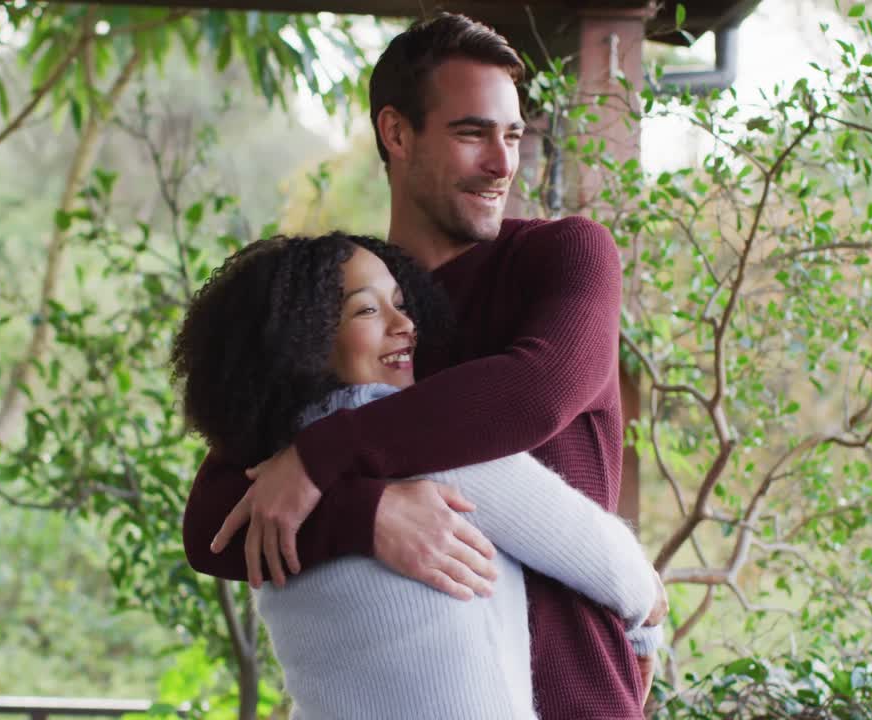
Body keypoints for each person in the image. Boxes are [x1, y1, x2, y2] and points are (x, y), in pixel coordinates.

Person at [182, 13, 661, 718]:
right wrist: (369, 513)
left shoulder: (566, 255)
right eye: (473, 134)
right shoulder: (344, 311)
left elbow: (533, 395)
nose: (503, 164)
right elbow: (214, 524)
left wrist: (321, 460)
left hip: (581, 702)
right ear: (397, 134)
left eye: (513, 136)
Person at [173, 232, 661, 719]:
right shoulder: (423, 437)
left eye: (401, 305)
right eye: (367, 310)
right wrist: (647, 620)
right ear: (304, 337)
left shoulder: (269, 481)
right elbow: (584, 542)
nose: (405, 324)